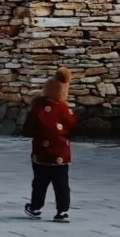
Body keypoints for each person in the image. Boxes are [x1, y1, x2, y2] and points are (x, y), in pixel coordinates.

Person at [23, 67, 79, 224]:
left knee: (40, 182)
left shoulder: (38, 108)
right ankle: (62, 211)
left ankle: (36, 207)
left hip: (41, 153)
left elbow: (29, 128)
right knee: (61, 184)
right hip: (61, 155)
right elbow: (74, 127)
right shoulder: (65, 110)